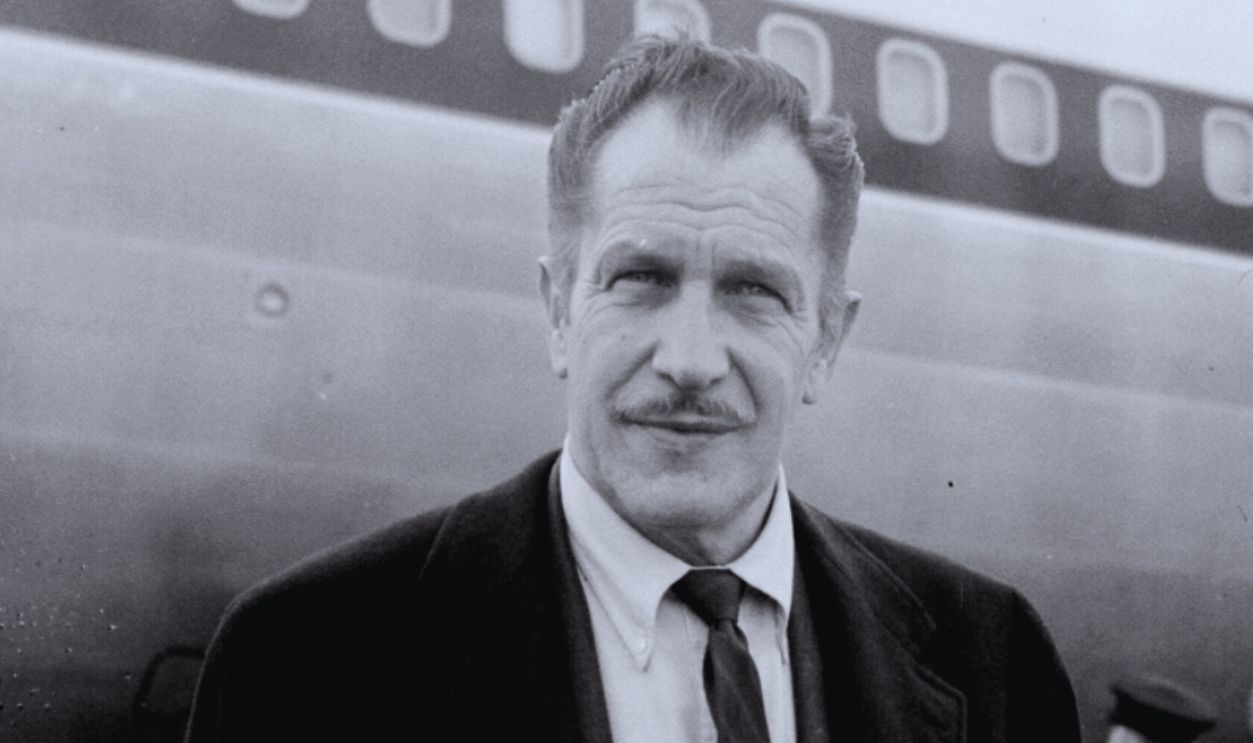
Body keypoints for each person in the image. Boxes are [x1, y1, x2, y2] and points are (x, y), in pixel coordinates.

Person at [184, 36, 1081, 743]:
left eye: (753, 291)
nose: (690, 360)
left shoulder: (993, 662)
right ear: (557, 311)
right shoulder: (304, 660)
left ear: (824, 342)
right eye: (641, 278)